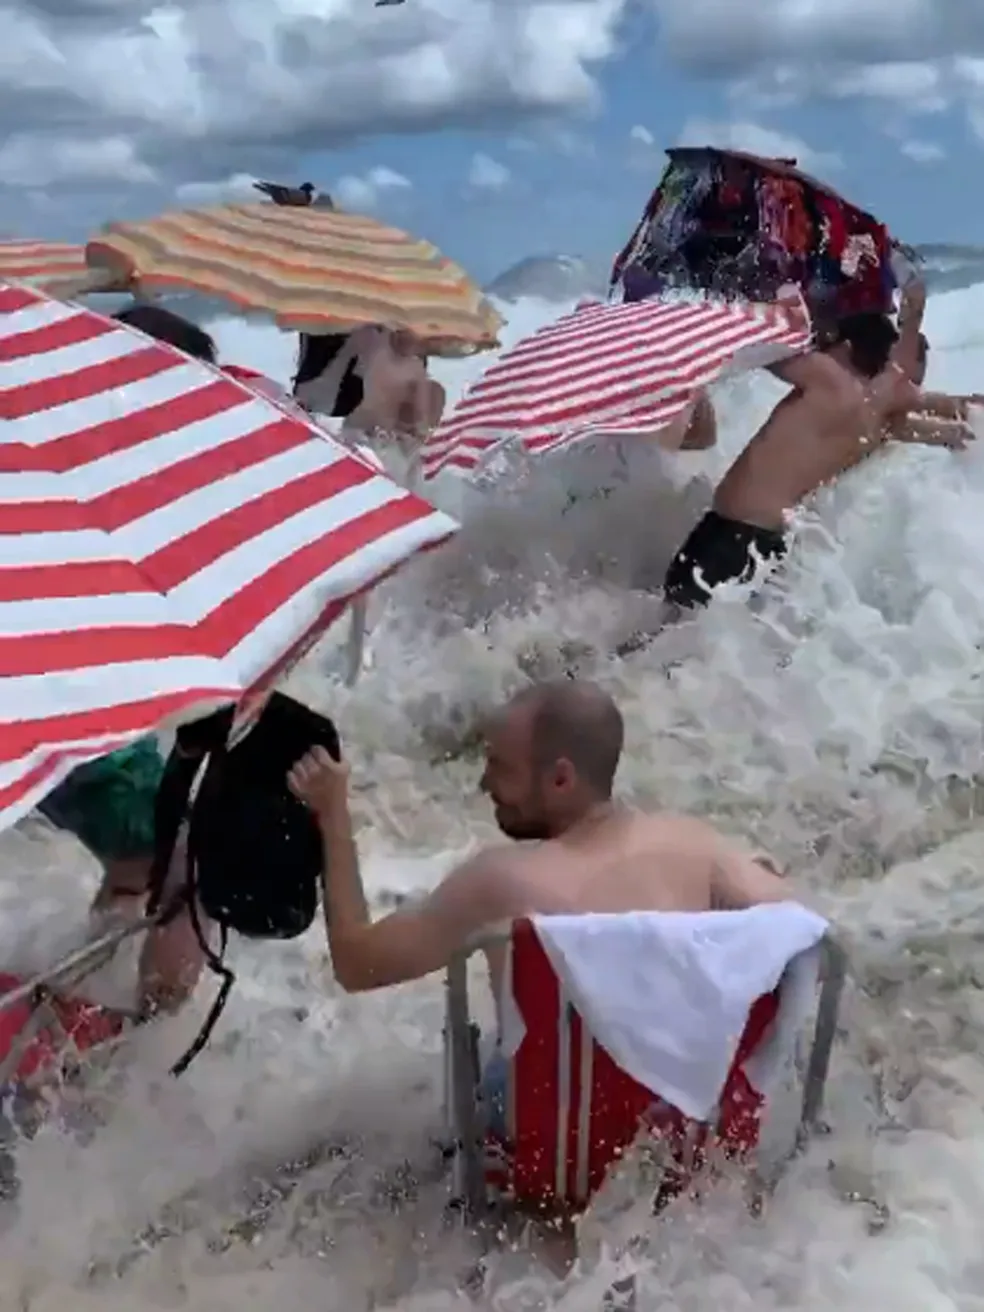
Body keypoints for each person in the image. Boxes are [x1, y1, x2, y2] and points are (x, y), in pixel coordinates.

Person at [287, 678, 792, 1131]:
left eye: (500, 768)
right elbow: (800, 929)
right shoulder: (697, 849)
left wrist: (332, 813)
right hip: (683, 1128)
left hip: (550, 1151)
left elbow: (357, 962)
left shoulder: (500, 881)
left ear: (561, 780)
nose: (485, 784)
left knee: (484, 1060)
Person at [661, 311, 934, 611]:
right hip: (768, 542)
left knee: (670, 625)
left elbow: (758, 347)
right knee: (699, 638)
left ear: (845, 347)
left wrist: (685, 343)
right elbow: (938, 414)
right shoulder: (874, 422)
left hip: (733, 533)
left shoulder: (831, 379)